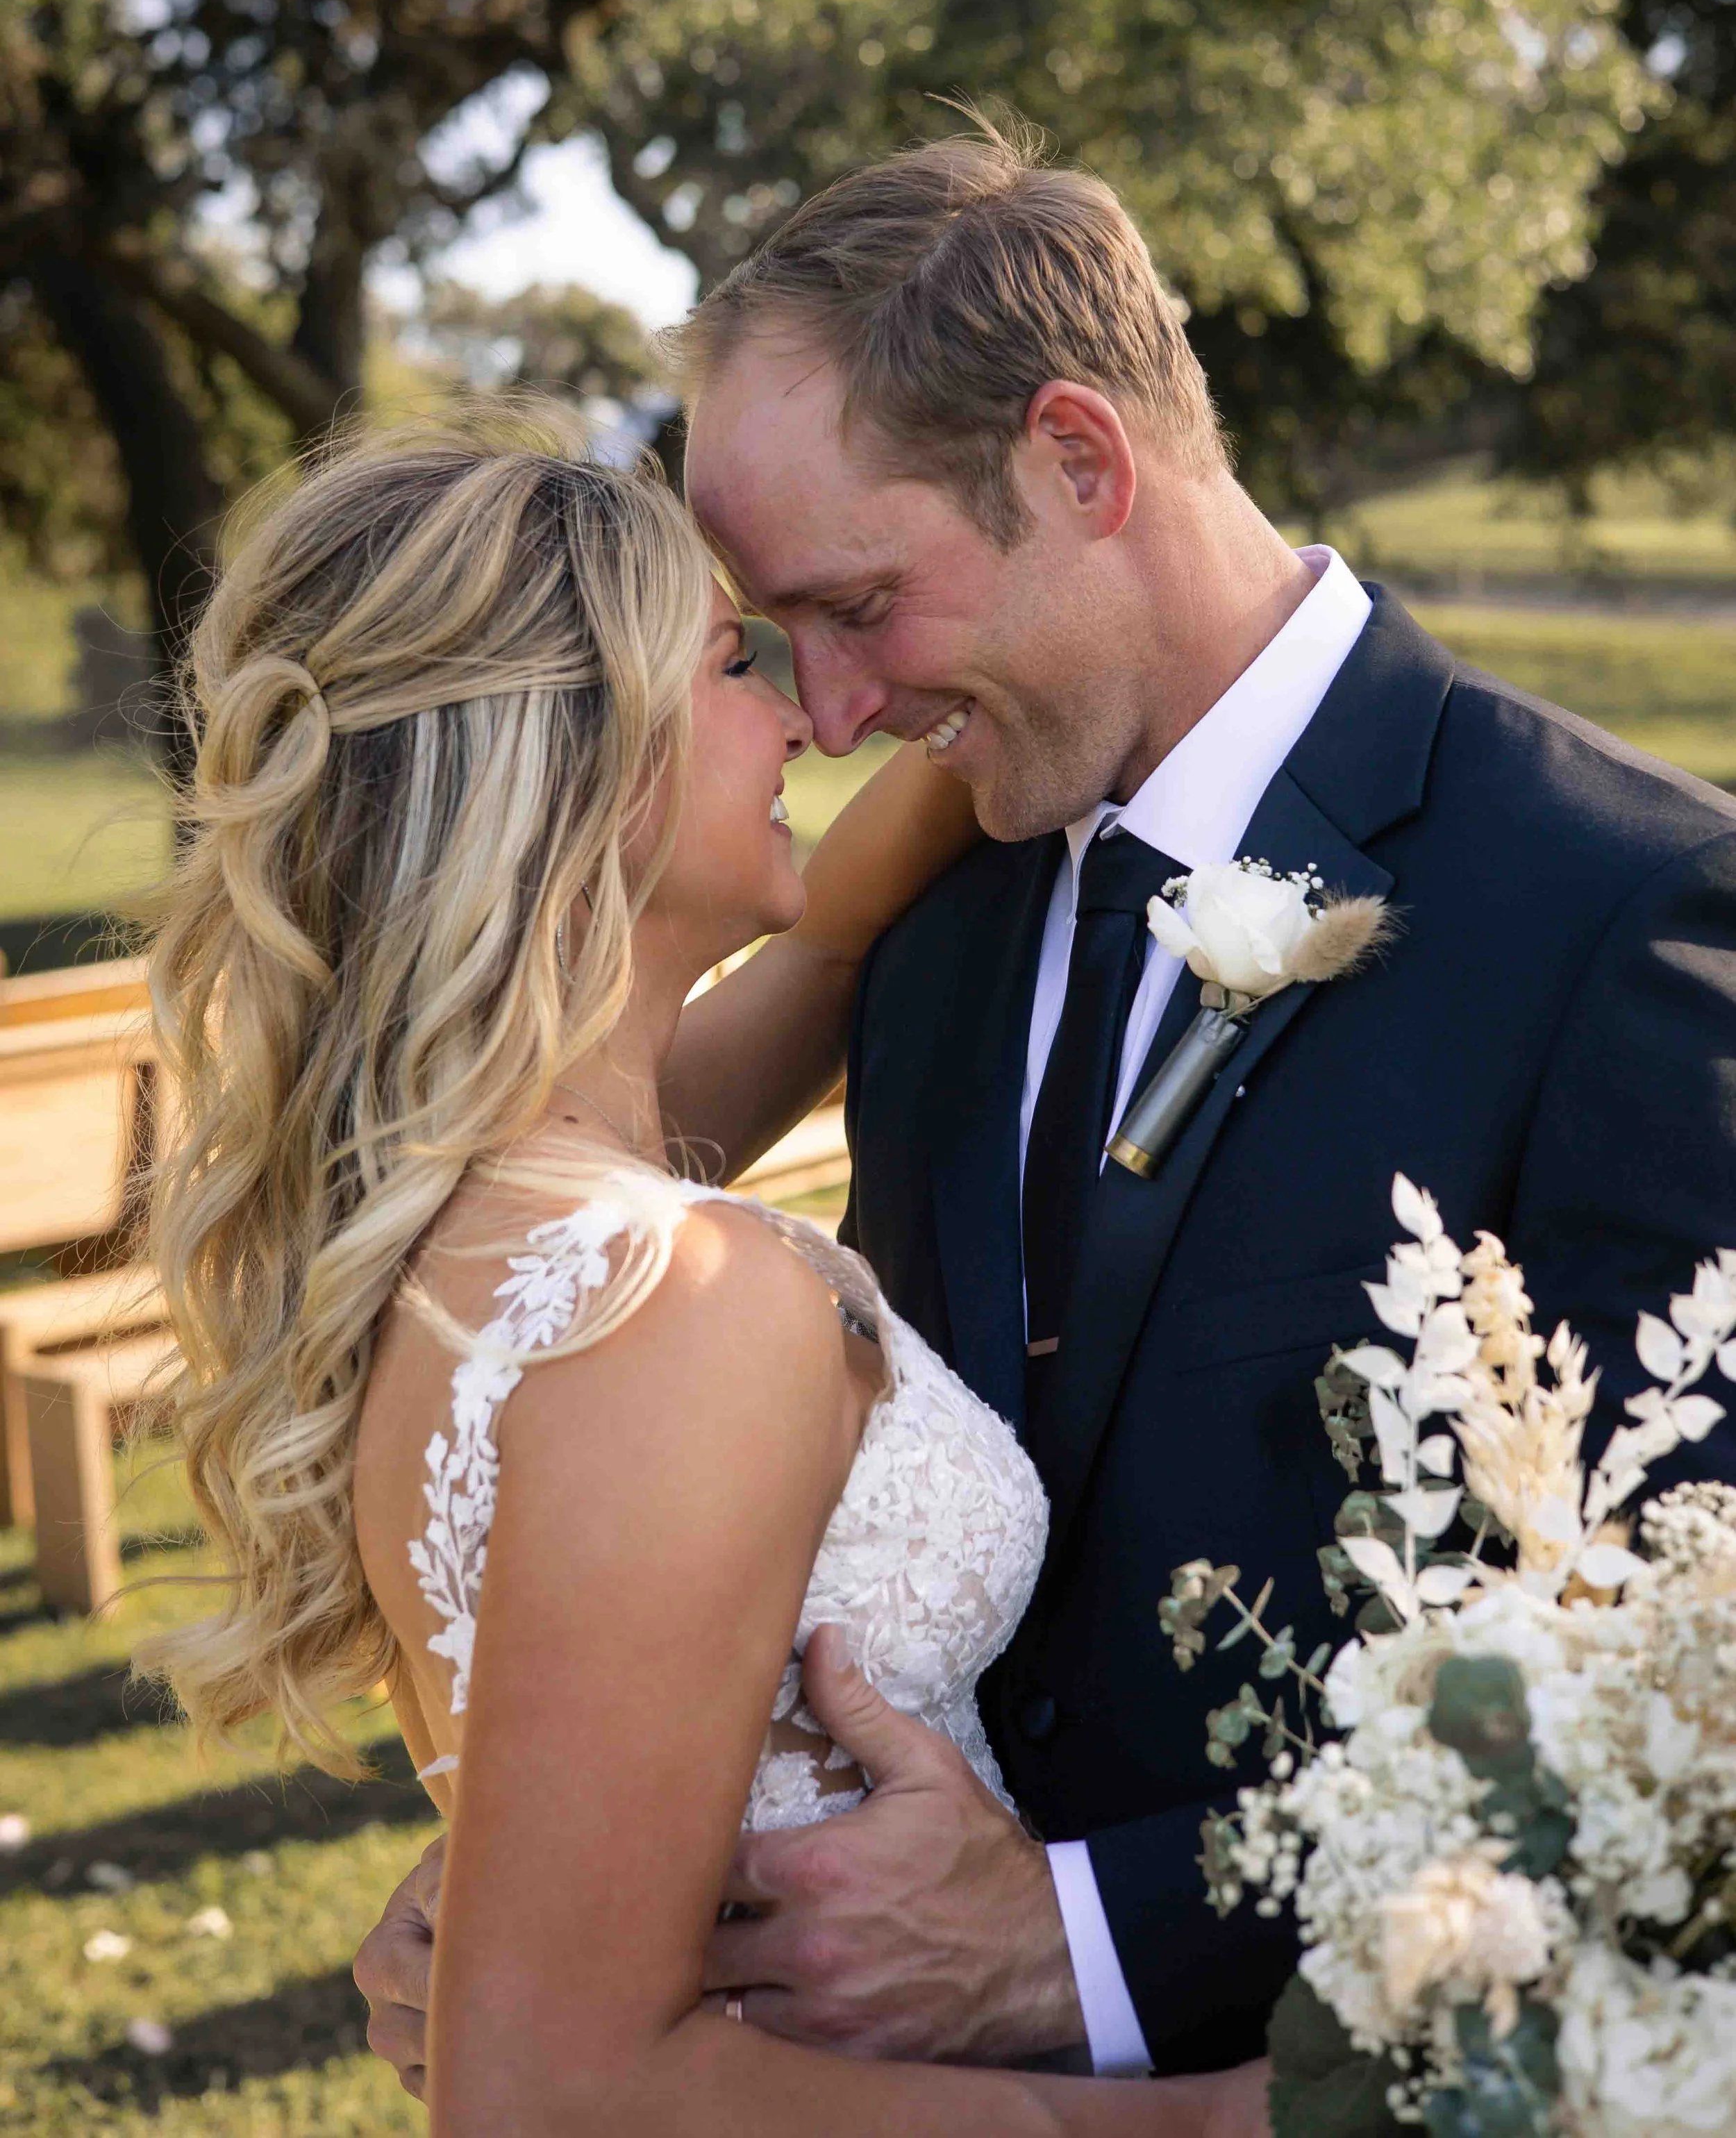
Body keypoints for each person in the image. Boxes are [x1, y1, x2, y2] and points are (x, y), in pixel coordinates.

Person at [357, 119, 1736, 2090]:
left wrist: (1078, 1945)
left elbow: (1689, 1690)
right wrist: (572, 1883)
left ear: (1077, 461)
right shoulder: (938, 909)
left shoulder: (1621, 909)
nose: (826, 716)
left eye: (851, 606)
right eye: (775, 637)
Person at [144, 407, 1267, 2135]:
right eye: (736, 662)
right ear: (583, 758)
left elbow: (812, 949)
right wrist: (1216, 2125)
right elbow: (558, 2091)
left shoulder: (468, 1227)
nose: (812, 719)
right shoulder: (669, 1301)